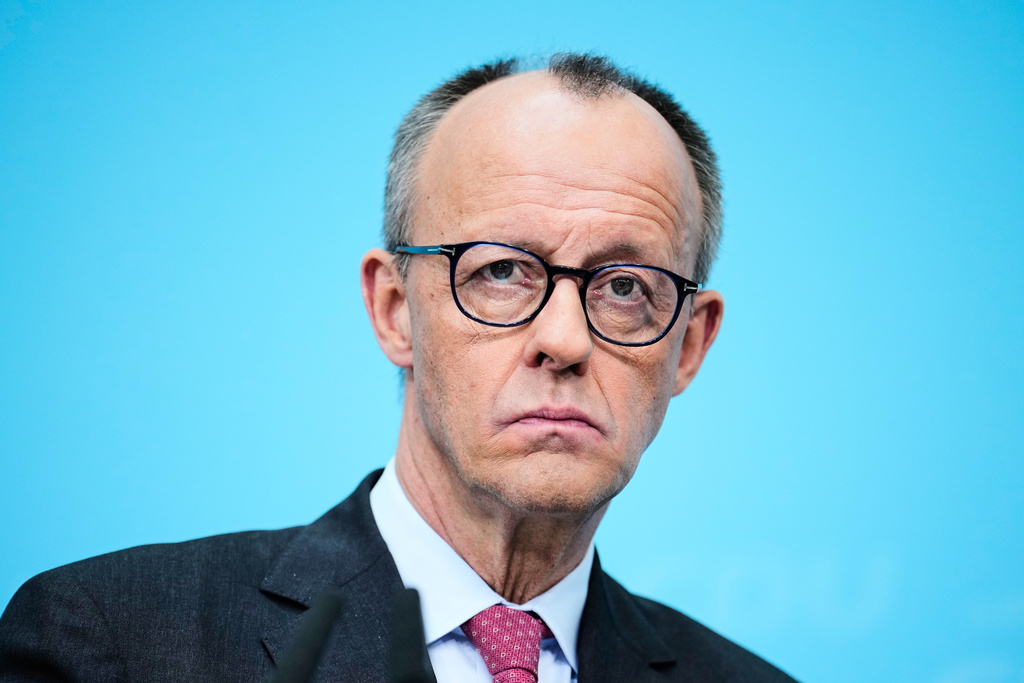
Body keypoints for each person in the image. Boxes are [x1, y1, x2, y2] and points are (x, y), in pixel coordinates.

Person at [0, 54, 797, 682]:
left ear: (689, 343)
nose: (564, 339)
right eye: (502, 271)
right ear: (393, 308)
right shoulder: (112, 642)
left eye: (625, 287)